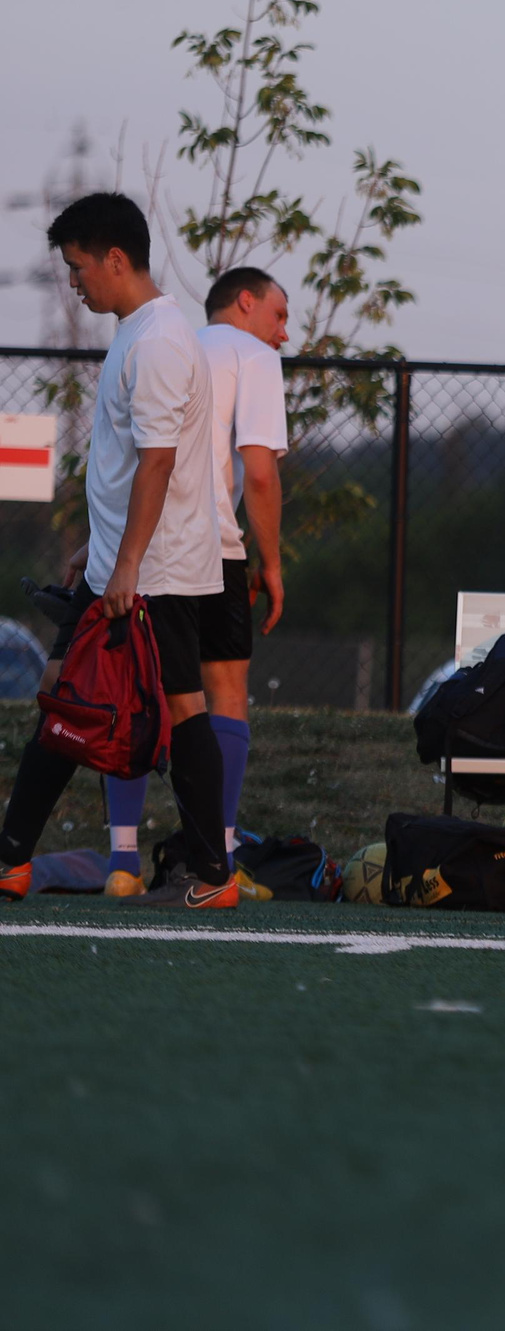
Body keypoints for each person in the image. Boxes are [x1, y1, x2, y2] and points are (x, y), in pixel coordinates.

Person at [0, 193, 235, 909]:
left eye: (77, 267)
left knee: (136, 705)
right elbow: (126, 463)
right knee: (83, 701)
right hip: (123, 562)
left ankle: (212, 874)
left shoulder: (160, 340)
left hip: (153, 571)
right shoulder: (138, 332)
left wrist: (128, 562)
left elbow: (158, 462)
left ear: (114, 257)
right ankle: (12, 861)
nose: (74, 282)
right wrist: (95, 549)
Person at [100, 266, 290, 895]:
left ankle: (122, 862)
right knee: (222, 692)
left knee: (134, 692)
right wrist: (272, 562)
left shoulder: (168, 340)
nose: (283, 333)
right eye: (279, 315)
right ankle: (219, 857)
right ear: (245, 303)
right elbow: (257, 473)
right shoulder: (252, 355)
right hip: (210, 549)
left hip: (143, 542)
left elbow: (136, 456)